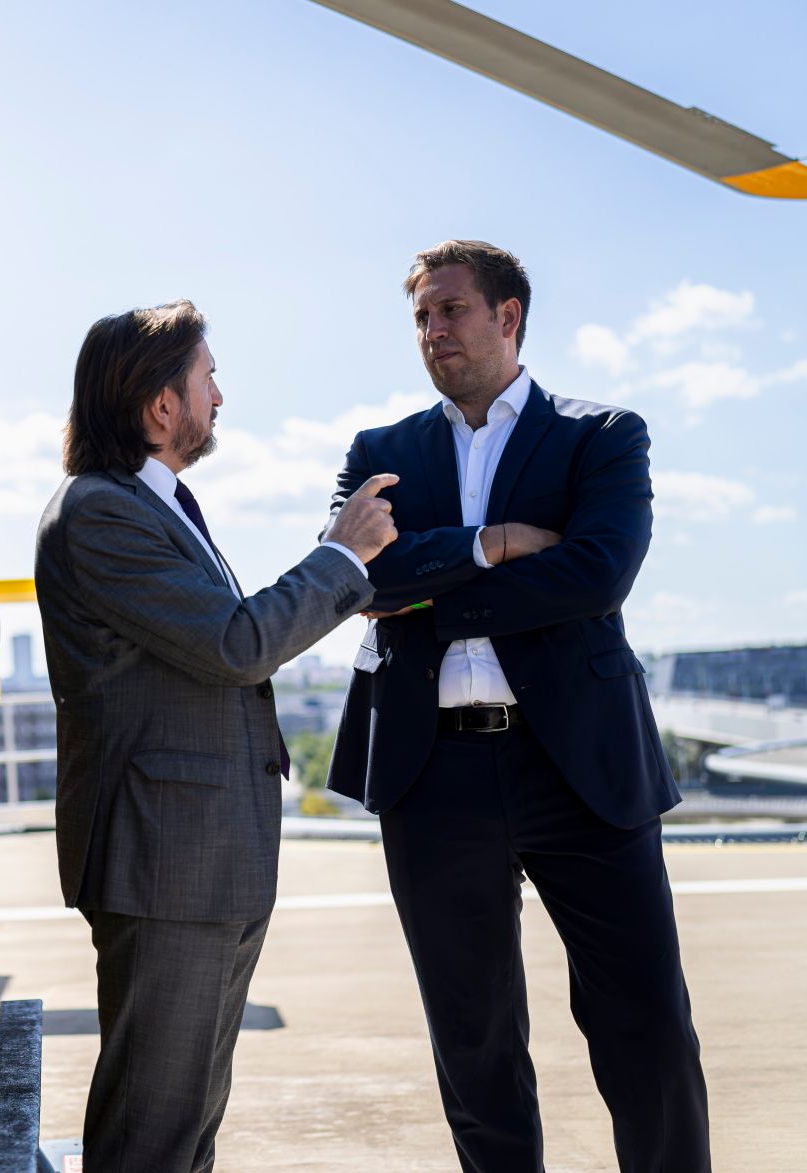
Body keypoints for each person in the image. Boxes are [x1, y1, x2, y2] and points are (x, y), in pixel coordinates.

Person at [326, 240, 710, 1172]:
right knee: (474, 1043)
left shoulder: (603, 434)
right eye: (421, 316)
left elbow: (596, 574)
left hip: (580, 767)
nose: (433, 331)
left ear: (508, 317)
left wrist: (431, 592)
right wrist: (495, 544)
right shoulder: (382, 454)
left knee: (646, 1027)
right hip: (434, 773)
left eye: (451, 310)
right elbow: (355, 583)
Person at [35, 299, 399, 1173]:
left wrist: (346, 583)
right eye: (207, 379)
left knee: (187, 1124)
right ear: (162, 406)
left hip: (205, 861)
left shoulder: (158, 506)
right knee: (153, 1133)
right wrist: (341, 559)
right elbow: (237, 643)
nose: (220, 397)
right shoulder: (100, 512)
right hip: (166, 865)